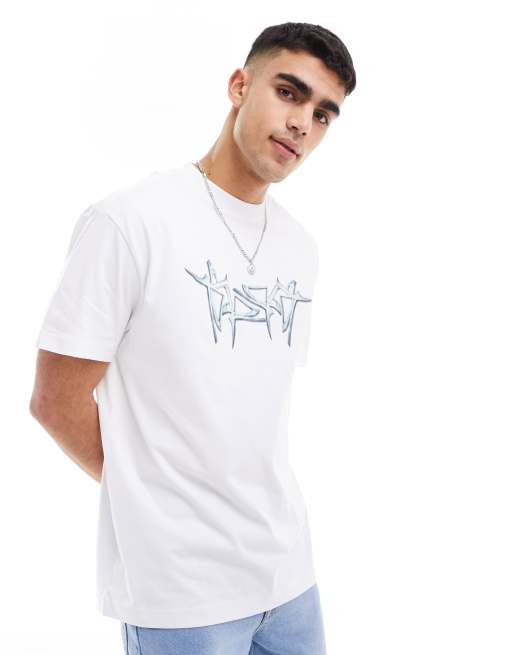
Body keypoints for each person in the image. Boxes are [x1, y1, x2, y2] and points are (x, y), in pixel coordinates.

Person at [29, 20, 356, 655]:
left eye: (322, 114)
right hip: (183, 593)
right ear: (239, 86)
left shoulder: (301, 248)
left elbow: (247, 406)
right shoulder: (130, 222)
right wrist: (155, 500)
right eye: (289, 93)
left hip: (290, 576)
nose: (302, 124)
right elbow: (55, 401)